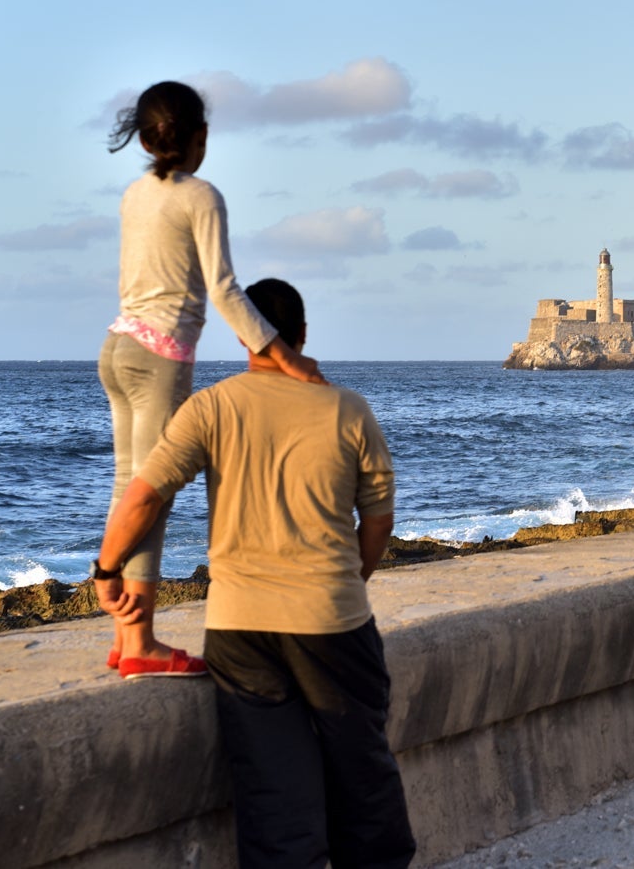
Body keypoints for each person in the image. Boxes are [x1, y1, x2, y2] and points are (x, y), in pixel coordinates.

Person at [94, 279, 415, 868]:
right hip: (333, 621)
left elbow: (144, 495)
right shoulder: (347, 409)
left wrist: (107, 567)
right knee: (363, 779)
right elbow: (378, 521)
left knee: (274, 800)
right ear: (302, 336)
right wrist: (351, 580)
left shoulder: (213, 407)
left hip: (240, 630)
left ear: (247, 338)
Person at [96, 81, 326, 680]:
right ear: (200, 137)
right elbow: (223, 289)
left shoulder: (133, 194)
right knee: (155, 492)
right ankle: (141, 642)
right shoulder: (201, 196)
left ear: (144, 138)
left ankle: (127, 639)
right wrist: (285, 355)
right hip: (159, 358)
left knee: (129, 485)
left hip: (117, 347)